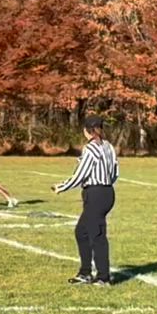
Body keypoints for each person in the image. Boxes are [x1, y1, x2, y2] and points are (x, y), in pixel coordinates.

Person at [53, 115, 119, 286]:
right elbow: (115, 172)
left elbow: (80, 174)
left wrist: (62, 187)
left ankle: (103, 277)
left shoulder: (90, 149)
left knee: (97, 234)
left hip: (96, 194)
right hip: (107, 192)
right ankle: (85, 272)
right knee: (82, 232)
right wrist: (106, 184)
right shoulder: (109, 146)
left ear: (86, 131)